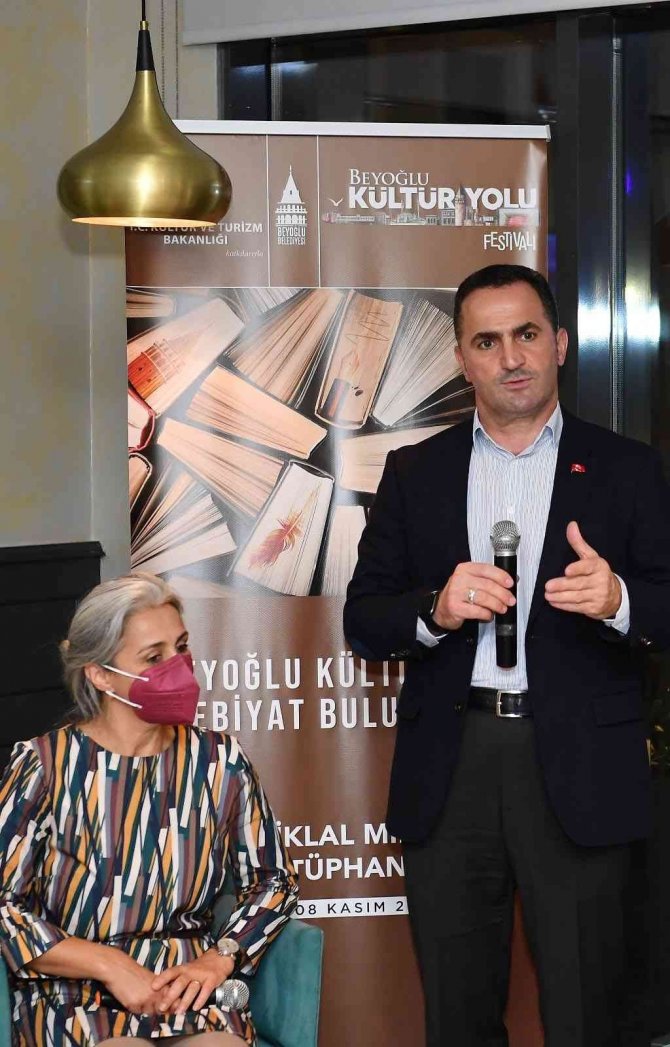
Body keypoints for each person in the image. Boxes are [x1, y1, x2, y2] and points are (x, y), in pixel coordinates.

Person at [343, 264, 670, 1047]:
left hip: (582, 765)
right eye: (486, 341)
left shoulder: (628, 467)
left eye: (526, 334)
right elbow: (364, 619)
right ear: (462, 358)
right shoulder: (415, 471)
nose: (510, 357)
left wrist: (620, 598)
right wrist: (434, 607)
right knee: (458, 1011)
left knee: (587, 1011)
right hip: (453, 762)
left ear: (559, 343)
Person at [0, 573, 298, 1047]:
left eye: (181, 648)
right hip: (76, 996)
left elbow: (274, 880)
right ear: (99, 674)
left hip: (188, 990)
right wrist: (108, 965)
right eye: (154, 658)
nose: (178, 667)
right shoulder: (44, 764)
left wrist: (220, 956)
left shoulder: (220, 760)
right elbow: (4, 905)